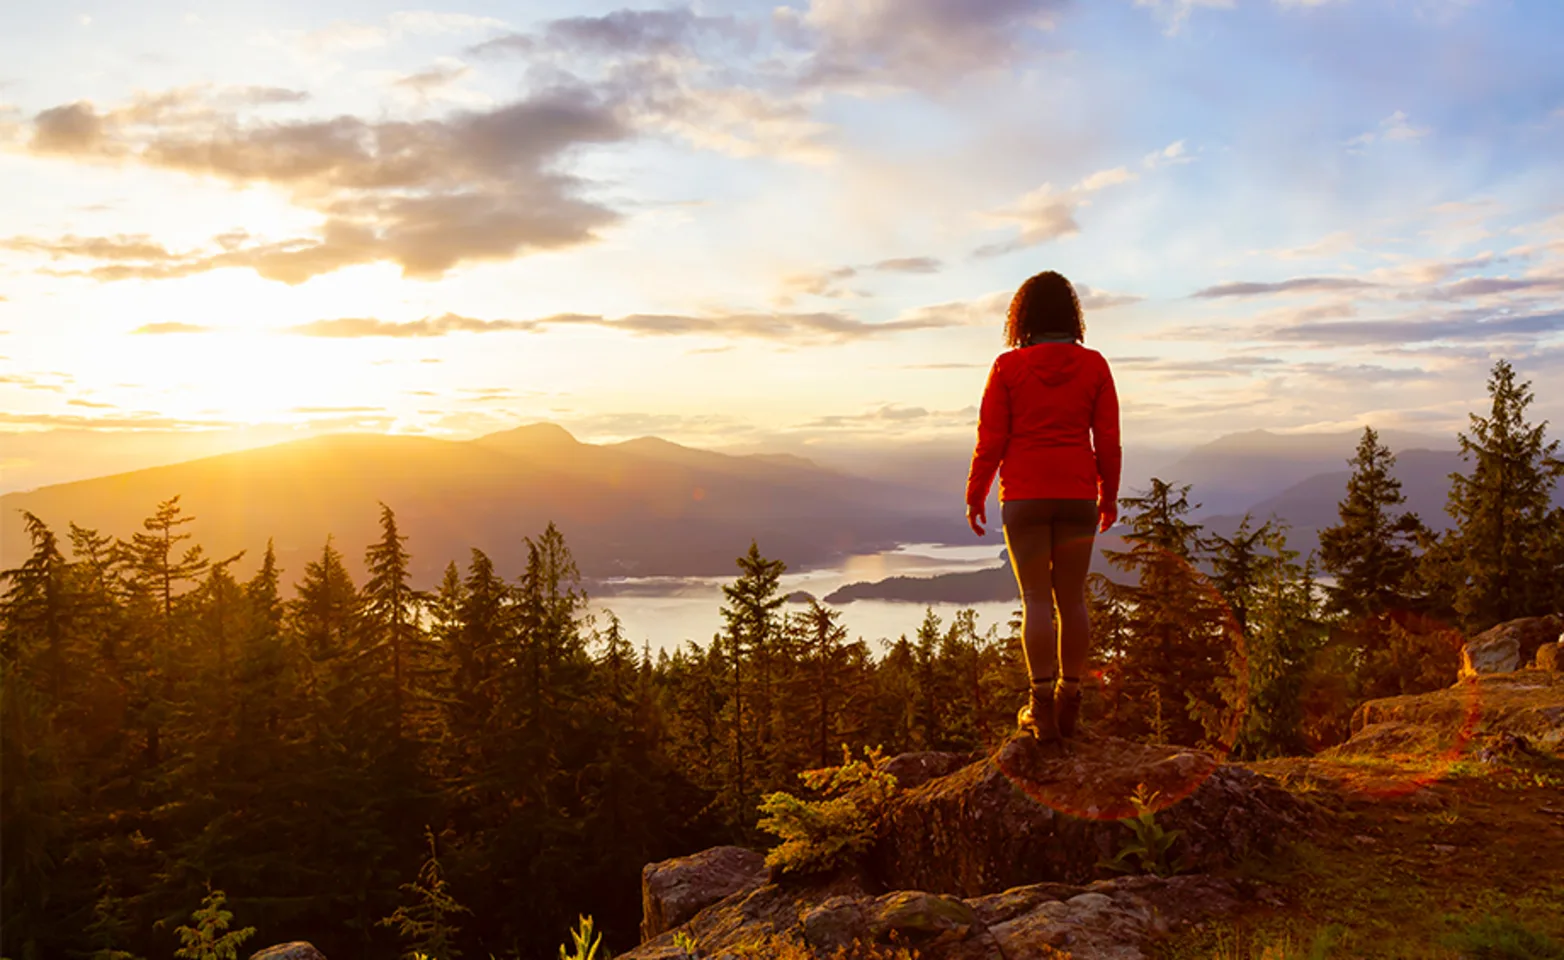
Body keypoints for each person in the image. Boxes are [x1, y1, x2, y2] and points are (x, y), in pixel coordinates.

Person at [964, 270, 1121, 741]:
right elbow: (1108, 442)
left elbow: (989, 440)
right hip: (1077, 495)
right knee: (1071, 599)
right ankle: (1070, 700)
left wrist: (975, 493)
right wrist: (1107, 496)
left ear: (1023, 317)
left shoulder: (1007, 368)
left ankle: (1040, 707)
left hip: (1024, 497)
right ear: (1072, 315)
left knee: (1035, 599)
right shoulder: (1094, 366)